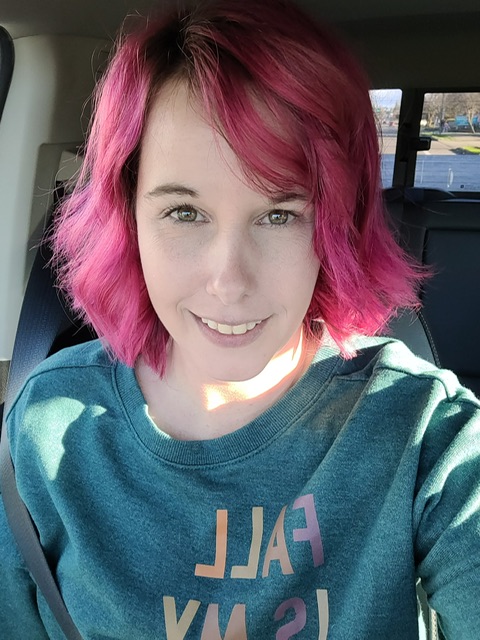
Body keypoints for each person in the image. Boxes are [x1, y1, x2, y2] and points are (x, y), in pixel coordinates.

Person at [1, 0, 479, 638]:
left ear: (337, 224)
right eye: (184, 212)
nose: (228, 282)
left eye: (280, 215)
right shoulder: (46, 426)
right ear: (128, 216)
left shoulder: (421, 432)